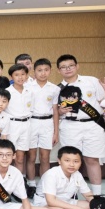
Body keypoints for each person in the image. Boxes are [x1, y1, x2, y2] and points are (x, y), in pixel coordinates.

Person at [57, 54, 105, 195]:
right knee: (69, 160)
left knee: (92, 159)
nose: (68, 69)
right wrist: (60, 111)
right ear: (59, 70)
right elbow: (55, 111)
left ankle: (97, 194)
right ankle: (70, 194)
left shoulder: (92, 81)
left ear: (77, 66)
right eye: (63, 67)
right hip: (70, 126)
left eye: (71, 66)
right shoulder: (58, 89)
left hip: (93, 125)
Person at [26, 58, 60, 195]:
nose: (43, 73)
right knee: (31, 156)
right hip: (32, 122)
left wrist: (56, 132)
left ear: (50, 71)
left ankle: (44, 185)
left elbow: (56, 111)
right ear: (34, 71)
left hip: (47, 124)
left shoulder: (55, 89)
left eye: (46, 70)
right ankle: (31, 184)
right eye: (39, 70)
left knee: (45, 157)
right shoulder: (27, 87)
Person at [4, 64, 33, 189]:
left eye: (22, 74)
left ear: (26, 76)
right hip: (12, 125)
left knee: (20, 158)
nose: (20, 77)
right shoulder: (7, 92)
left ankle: (19, 185)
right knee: (8, 156)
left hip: (26, 125)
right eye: (16, 75)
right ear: (11, 77)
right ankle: (7, 183)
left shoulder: (30, 91)